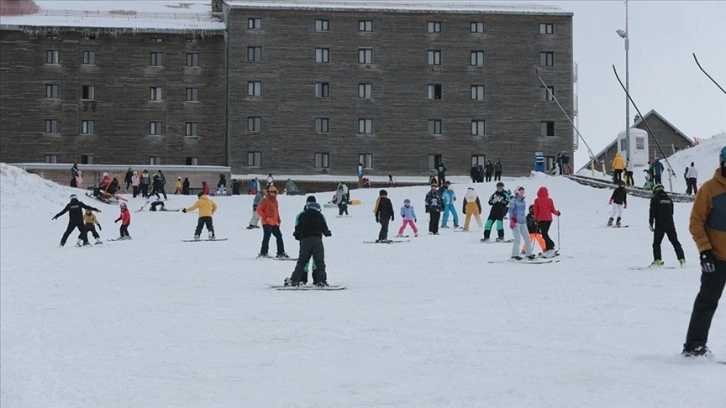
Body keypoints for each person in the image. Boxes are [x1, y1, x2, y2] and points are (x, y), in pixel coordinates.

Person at [682, 146, 726, 357]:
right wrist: (705, 251)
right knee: (706, 302)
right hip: (716, 258)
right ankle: (694, 345)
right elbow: (696, 223)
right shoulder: (709, 190)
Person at [286, 201, 332, 287]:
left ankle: (295, 280)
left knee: (302, 262)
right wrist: (327, 233)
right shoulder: (320, 216)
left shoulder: (303, 216)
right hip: (317, 241)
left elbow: (298, 229)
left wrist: (298, 236)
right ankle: (321, 280)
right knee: (319, 262)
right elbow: (324, 229)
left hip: (305, 241)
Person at [648, 184, 685, 267]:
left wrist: (651, 223)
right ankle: (682, 259)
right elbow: (672, 212)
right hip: (670, 223)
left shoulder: (655, 199)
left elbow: (652, 212)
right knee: (675, 241)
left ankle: (657, 260)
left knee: (656, 243)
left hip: (660, 223)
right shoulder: (669, 199)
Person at [256, 186, 289, 257]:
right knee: (267, 237)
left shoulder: (275, 201)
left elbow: (276, 211)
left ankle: (280, 252)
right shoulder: (265, 200)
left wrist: (278, 219)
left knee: (279, 236)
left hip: (274, 222)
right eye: (273, 192)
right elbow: (259, 210)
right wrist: (266, 217)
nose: (275, 194)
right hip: (266, 222)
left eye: (275, 192)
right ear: (269, 193)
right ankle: (263, 252)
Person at [533, 186, 561, 258]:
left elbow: (536, 211)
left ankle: (551, 246)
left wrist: (535, 219)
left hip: (541, 219)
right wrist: (557, 213)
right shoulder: (550, 200)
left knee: (544, 234)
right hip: (549, 219)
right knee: (545, 234)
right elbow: (553, 209)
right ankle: (549, 248)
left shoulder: (537, 200)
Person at [509, 187, 536, 261]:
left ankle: (529, 254)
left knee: (527, 238)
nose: (522, 194)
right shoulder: (513, 201)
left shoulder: (523, 201)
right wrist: (512, 220)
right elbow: (510, 212)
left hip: (523, 222)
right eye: (521, 192)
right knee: (517, 239)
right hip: (516, 222)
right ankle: (514, 255)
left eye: (523, 192)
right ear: (517, 192)